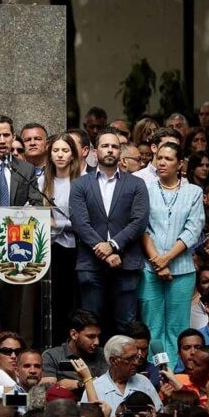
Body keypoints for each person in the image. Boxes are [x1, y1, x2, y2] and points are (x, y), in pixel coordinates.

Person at [69, 129, 150, 333]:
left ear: (120, 152)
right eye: (105, 146)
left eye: (114, 146)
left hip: (126, 262)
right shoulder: (80, 184)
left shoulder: (136, 184)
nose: (110, 150)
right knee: (90, 325)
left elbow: (139, 221)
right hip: (90, 264)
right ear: (95, 152)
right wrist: (103, 250)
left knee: (126, 325)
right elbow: (79, 222)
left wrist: (112, 245)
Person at [139, 141, 205, 366]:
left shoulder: (194, 192)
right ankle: (157, 371)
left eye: (168, 159)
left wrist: (165, 259)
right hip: (150, 268)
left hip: (182, 269)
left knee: (178, 326)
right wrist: (157, 261)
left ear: (180, 164)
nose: (162, 163)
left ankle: (177, 372)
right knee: (152, 325)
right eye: (159, 158)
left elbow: (193, 230)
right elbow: (142, 227)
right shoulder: (145, 189)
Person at [37, 133, 81, 340]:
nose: (60, 155)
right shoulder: (41, 181)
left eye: (65, 150)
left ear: (73, 155)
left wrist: (58, 224)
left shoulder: (81, 182)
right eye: (56, 150)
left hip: (75, 248)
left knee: (71, 300)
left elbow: (85, 221)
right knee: (51, 301)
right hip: (48, 249)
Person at [81, 335, 162, 417]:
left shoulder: (144, 382)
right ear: (114, 361)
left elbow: (160, 413)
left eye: (136, 357)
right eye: (130, 358)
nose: (136, 362)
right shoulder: (95, 388)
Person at [40, 309, 108, 389]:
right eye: (91, 337)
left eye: (98, 336)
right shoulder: (52, 356)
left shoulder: (103, 355)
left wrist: (80, 384)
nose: (97, 342)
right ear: (74, 334)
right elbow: (47, 390)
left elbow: (109, 387)